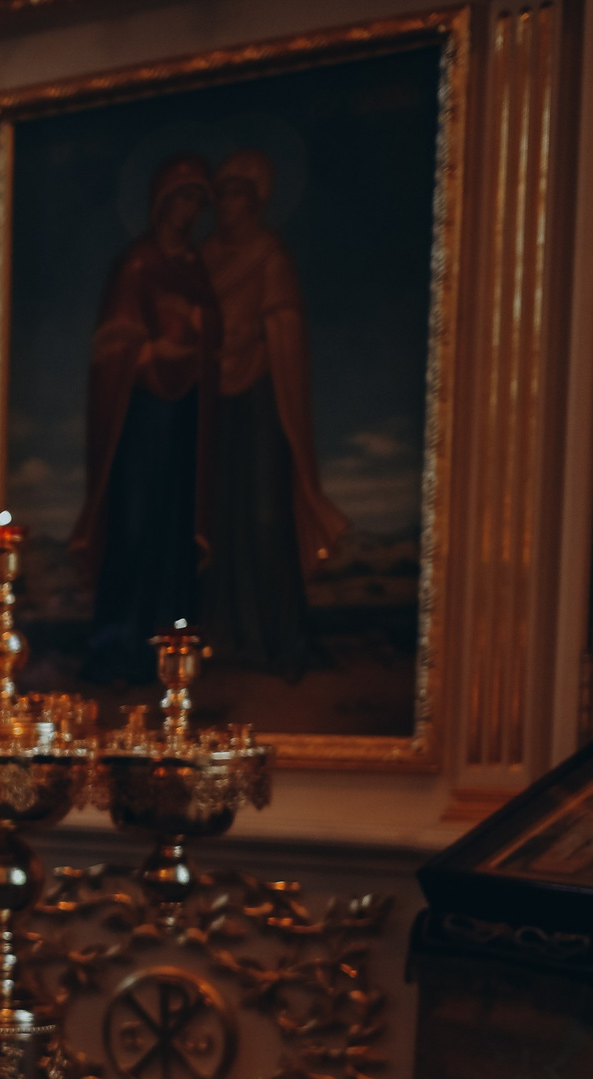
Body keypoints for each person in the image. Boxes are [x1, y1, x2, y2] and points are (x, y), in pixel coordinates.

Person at [196, 148, 348, 680]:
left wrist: (255, 333)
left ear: (255, 201)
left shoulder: (269, 255)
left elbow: (285, 324)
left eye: (235, 193)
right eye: (220, 194)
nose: (225, 204)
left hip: (261, 392)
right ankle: (228, 638)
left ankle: (282, 638)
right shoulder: (205, 258)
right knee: (218, 517)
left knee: (263, 514)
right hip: (213, 397)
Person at [72, 152, 221, 685]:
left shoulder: (194, 270)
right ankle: (121, 643)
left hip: (182, 419)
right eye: (182, 199)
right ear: (161, 201)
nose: (188, 212)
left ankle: (172, 649)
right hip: (140, 421)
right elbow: (113, 345)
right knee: (134, 526)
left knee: (175, 528)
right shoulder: (136, 264)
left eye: (197, 203)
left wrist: (196, 339)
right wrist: (153, 348)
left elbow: (210, 342)